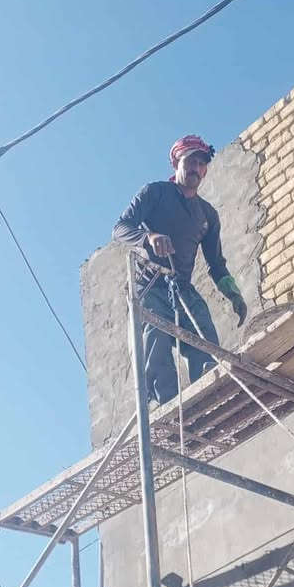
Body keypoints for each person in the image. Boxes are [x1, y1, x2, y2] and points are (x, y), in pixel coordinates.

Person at [113, 134, 248, 404]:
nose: (196, 168)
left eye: (201, 163)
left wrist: (233, 293)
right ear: (176, 163)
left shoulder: (207, 215)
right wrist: (148, 238)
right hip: (150, 285)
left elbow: (216, 263)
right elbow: (120, 228)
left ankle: (209, 398)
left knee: (205, 339)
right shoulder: (155, 193)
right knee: (156, 345)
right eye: (190, 161)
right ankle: (167, 407)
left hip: (181, 288)